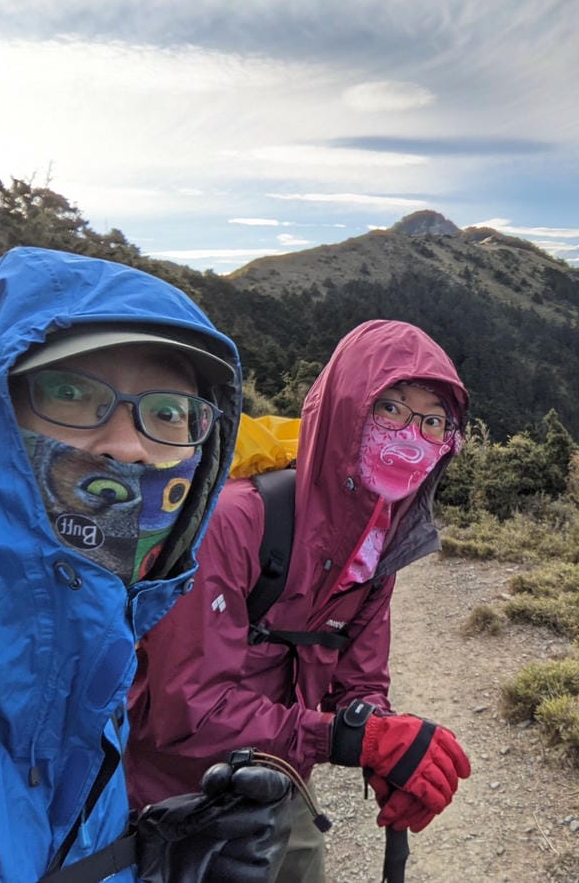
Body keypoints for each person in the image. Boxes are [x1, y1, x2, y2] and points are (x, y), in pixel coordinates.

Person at [0, 246, 282, 881]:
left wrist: (145, 864)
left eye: (166, 414)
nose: (129, 447)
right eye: (70, 393)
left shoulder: (97, 662)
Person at [126, 319, 473, 881]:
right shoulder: (235, 523)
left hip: (279, 791)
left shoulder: (377, 545)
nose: (410, 434)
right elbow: (183, 710)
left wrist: (383, 739)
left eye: (433, 421)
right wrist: (341, 737)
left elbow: (359, 679)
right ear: (346, 407)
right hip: (168, 809)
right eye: (391, 409)